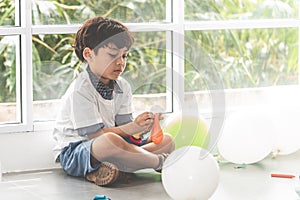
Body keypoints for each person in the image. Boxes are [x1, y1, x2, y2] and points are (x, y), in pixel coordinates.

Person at [52, 16, 175, 187]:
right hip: (80, 151)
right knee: (109, 142)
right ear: (88, 54)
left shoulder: (122, 86)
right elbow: (95, 135)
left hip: (117, 146)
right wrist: (132, 129)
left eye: (124, 56)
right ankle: (158, 162)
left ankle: (117, 167)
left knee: (167, 141)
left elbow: (125, 130)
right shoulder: (81, 89)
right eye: (112, 55)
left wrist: (140, 127)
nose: (120, 62)